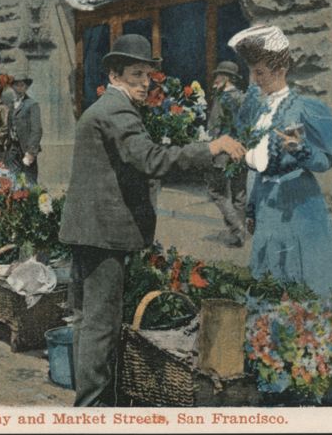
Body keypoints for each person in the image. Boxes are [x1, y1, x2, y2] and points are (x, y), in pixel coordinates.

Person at [59, 34, 246, 407]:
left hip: (89, 231)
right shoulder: (117, 110)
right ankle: (93, 410)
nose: (145, 82)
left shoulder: (104, 107)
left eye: (148, 75)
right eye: (136, 74)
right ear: (114, 74)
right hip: (104, 235)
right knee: (100, 325)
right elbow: (151, 160)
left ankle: (90, 401)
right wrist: (210, 148)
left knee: (86, 321)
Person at [230, 24, 332, 304]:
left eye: (260, 72)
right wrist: (251, 208)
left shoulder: (305, 108)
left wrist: (300, 149)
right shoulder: (259, 110)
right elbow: (258, 166)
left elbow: (325, 161)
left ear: (280, 70)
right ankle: (271, 334)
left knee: (304, 275)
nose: (254, 79)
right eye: (252, 72)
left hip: (299, 204)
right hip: (267, 202)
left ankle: (308, 336)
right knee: (269, 276)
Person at [205, 60, 248, 247]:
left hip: (223, 152)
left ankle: (236, 227)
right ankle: (238, 236)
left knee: (216, 191)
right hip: (243, 151)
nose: (215, 80)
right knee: (239, 193)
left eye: (218, 76)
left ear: (225, 78)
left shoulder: (221, 99)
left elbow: (213, 127)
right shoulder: (245, 99)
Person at [5, 69, 42, 184]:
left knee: (29, 182)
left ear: (26, 87)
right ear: (12, 87)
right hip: (13, 148)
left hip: (26, 149)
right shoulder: (12, 105)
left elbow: (37, 130)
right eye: (16, 85)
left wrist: (31, 152)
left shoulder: (32, 104)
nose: (19, 88)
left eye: (22, 85)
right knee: (12, 181)